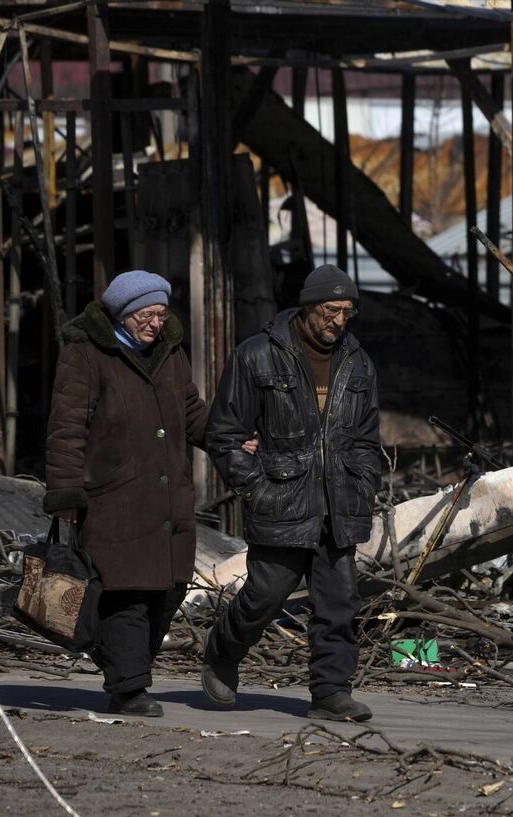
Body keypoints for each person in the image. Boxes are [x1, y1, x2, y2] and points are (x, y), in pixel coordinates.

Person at [43, 270, 255, 716]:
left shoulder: (169, 353)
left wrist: (230, 439)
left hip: (169, 500)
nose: (156, 323)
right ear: (124, 311)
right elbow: (66, 429)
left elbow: (192, 412)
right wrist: (65, 495)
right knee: (128, 593)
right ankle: (129, 688)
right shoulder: (85, 354)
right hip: (112, 498)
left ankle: (120, 664)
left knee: (169, 589)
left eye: (160, 314)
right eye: (146, 315)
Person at [202, 263, 381, 722]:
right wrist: (256, 487)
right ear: (308, 307)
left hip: (340, 506)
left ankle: (331, 692)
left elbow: (366, 437)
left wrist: (363, 482)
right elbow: (224, 434)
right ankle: (223, 653)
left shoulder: (358, 362)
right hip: (282, 501)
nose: (339, 321)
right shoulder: (257, 355)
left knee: (338, 604)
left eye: (348, 311)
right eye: (331, 310)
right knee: (265, 596)